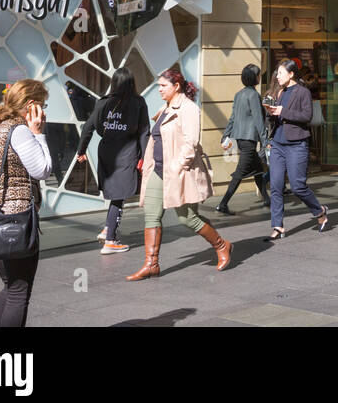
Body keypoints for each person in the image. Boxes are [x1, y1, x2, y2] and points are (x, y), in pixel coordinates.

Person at [128, 70, 231, 280]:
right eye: (158, 86)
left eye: (163, 86)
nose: (159, 90)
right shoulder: (164, 109)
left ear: (176, 86)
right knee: (151, 214)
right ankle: (151, 264)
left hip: (179, 172)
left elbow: (190, 143)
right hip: (158, 170)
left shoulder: (189, 109)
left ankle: (222, 245)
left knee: (187, 218)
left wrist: (176, 168)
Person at [0, 79, 51, 327]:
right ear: (32, 105)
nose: (45, 110)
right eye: (43, 104)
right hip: (15, 223)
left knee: (12, 286)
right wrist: (38, 134)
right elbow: (42, 170)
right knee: (19, 292)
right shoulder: (19, 130)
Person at [76, 67, 150, 253]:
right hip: (127, 152)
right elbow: (144, 132)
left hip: (107, 151)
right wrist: (146, 156)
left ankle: (108, 229)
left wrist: (81, 150)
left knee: (117, 193)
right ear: (132, 83)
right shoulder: (138, 103)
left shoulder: (103, 103)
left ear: (114, 83)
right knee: (119, 195)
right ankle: (110, 241)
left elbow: (88, 127)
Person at [263, 58, 330, 238]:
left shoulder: (303, 92)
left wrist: (282, 111)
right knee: (276, 186)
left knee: (298, 186)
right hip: (277, 144)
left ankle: (320, 212)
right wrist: (271, 113)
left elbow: (306, 116)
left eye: (281, 73)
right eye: (277, 73)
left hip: (296, 145)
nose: (277, 76)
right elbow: (276, 118)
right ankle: (277, 226)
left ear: (291, 74)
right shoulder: (279, 92)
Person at [216, 64, 269, 214]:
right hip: (249, 139)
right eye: (259, 75)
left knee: (258, 170)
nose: (260, 77)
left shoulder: (239, 94)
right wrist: (265, 142)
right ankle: (223, 203)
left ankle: (267, 198)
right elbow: (259, 120)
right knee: (240, 172)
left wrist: (225, 134)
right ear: (254, 78)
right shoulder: (253, 95)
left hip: (240, 138)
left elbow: (232, 117)